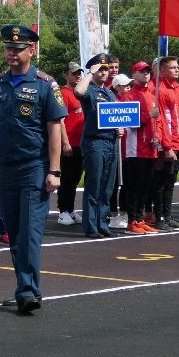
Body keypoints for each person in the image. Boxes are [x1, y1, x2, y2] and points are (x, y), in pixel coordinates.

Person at [0, 25, 65, 316]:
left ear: (32, 50)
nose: (11, 54)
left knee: (29, 232)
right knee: (15, 232)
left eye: (17, 49)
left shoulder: (45, 84)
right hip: (6, 167)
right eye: (8, 49)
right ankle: (24, 287)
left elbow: (55, 128)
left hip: (34, 166)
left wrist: (54, 170)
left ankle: (28, 291)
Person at [73, 54, 120, 236]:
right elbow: (78, 92)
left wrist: (119, 128)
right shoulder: (90, 90)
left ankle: (102, 223)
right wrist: (89, 74)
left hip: (110, 142)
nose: (104, 72)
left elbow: (117, 115)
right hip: (95, 142)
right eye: (100, 68)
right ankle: (91, 226)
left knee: (107, 186)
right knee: (94, 184)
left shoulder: (110, 93)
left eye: (106, 68)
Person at [150, 56, 179, 231]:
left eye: (177, 67)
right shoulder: (159, 89)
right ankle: (158, 217)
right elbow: (160, 120)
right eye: (172, 67)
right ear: (162, 71)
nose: (177, 70)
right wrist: (167, 146)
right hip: (168, 144)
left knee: (170, 182)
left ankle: (168, 216)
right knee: (160, 183)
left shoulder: (178, 89)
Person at [120, 62, 158, 234]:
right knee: (134, 186)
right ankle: (132, 220)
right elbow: (130, 120)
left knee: (146, 186)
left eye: (148, 72)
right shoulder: (130, 95)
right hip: (135, 148)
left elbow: (158, 121)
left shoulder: (151, 94)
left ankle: (140, 218)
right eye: (142, 72)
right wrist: (148, 116)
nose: (146, 75)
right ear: (134, 74)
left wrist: (159, 137)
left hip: (151, 147)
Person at [55, 62, 85, 227]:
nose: (78, 75)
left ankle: (70, 209)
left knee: (74, 178)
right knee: (66, 178)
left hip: (81, 143)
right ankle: (63, 211)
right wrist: (65, 142)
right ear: (66, 75)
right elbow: (60, 120)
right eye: (74, 73)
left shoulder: (81, 93)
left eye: (79, 73)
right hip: (70, 143)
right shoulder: (63, 93)